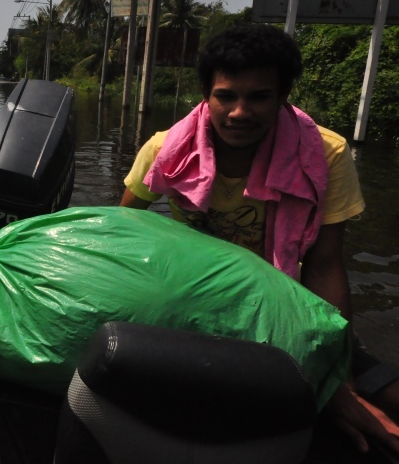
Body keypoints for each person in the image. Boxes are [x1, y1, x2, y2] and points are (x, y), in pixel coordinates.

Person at [119, 24, 399, 456]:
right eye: (226, 96)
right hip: (197, 302)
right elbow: (120, 231)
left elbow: (324, 265)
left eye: (259, 97)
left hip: (288, 302)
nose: (239, 112)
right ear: (206, 96)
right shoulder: (165, 151)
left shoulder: (325, 154)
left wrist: (336, 374)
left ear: (283, 96)